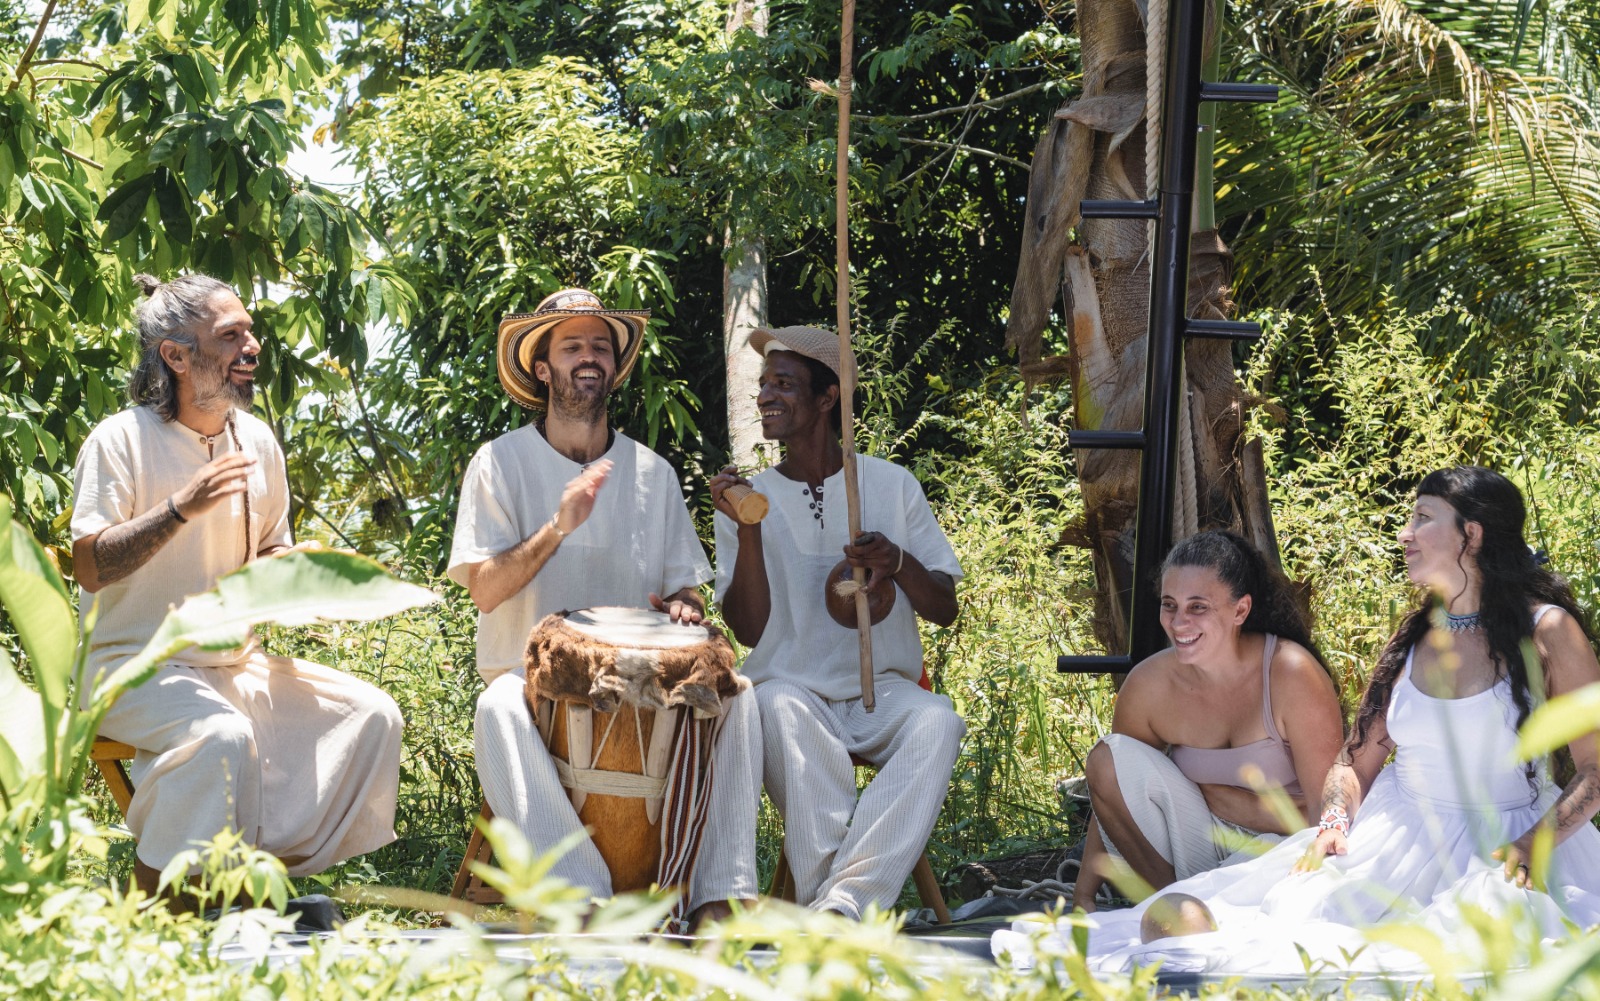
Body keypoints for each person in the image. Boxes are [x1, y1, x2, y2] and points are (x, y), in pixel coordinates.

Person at [996, 466, 1600, 976]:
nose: (1405, 533)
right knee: (1217, 931)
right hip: (1387, 837)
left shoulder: (1548, 631)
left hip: (1509, 842)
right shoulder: (1416, 635)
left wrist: (1530, 844)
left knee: (1450, 959)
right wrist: (1336, 816)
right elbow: (1354, 763)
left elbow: (1595, 771)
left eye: (1422, 518)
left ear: (1471, 533)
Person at [74, 274, 403, 901]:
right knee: (221, 735)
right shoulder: (121, 439)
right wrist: (178, 509)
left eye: (250, 332)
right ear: (175, 355)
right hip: (131, 667)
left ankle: (246, 881)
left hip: (233, 663)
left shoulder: (256, 441)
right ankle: (162, 906)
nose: (253, 347)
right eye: (231, 335)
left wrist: (304, 566)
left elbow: (271, 549)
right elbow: (90, 565)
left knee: (370, 716)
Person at [449, 288, 761, 927]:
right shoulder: (498, 463)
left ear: (615, 367)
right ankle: (582, 899)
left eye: (600, 346)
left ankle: (716, 897)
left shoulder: (653, 473)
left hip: (640, 679)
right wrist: (557, 527)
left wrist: (684, 607)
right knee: (494, 706)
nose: (589, 356)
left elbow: (687, 589)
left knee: (743, 694)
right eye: (572, 346)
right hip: (534, 683)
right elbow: (483, 588)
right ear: (543, 368)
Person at [711, 325, 966, 919]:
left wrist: (896, 562)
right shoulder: (747, 499)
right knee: (776, 709)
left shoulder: (889, 484)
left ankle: (836, 907)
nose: (766, 396)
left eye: (786, 384)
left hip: (883, 693)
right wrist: (749, 527)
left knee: (938, 723)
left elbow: (944, 607)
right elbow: (748, 630)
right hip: (791, 689)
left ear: (828, 399)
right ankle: (844, 913)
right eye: (764, 384)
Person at [1071, 531, 1345, 911]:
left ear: (1240, 610)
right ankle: (1171, 909)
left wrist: (1241, 808)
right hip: (1195, 839)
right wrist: (1083, 895)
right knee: (1107, 756)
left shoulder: (1291, 672)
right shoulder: (1148, 685)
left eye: (1197, 607)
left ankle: (1206, 911)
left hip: (1279, 846)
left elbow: (1327, 816)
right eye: (1170, 604)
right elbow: (1112, 791)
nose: (1179, 622)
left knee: (1274, 890)